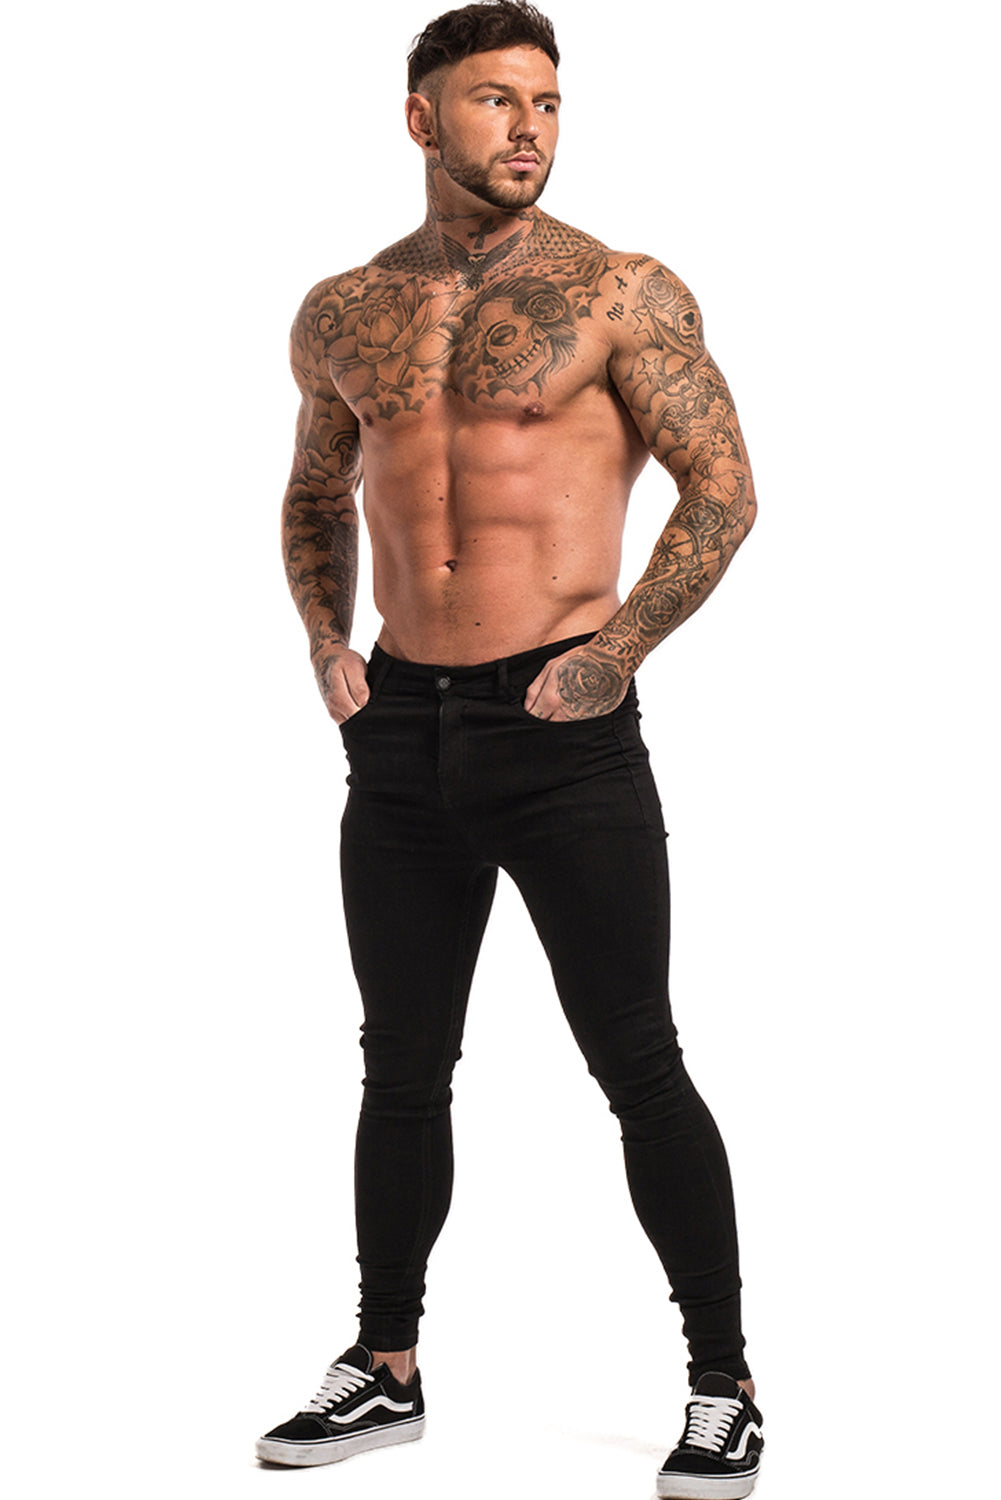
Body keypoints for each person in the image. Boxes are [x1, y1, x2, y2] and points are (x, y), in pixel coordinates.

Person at [255, 4, 764, 1495]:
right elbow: (315, 491)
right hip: (399, 730)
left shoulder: (618, 291)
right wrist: (327, 643)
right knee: (401, 1064)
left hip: (564, 729)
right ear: (422, 119)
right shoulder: (342, 310)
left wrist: (614, 655)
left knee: (638, 1061)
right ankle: (385, 1364)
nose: (529, 126)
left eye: (546, 101)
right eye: (494, 100)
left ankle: (724, 1380)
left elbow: (724, 490)